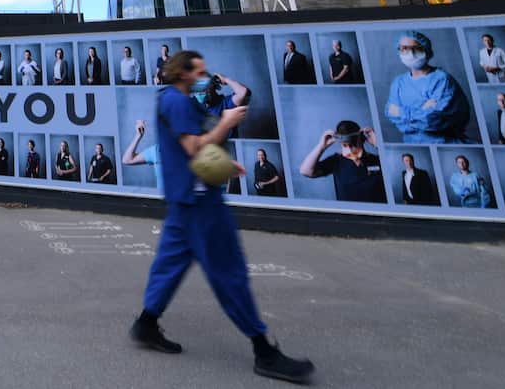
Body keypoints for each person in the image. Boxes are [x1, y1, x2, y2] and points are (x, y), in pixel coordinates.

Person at [129, 49, 313, 384]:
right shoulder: (178, 102)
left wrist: (227, 163)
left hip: (185, 197)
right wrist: (227, 123)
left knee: (169, 265)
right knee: (229, 272)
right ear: (183, 73)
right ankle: (264, 351)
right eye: (199, 70)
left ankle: (145, 324)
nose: (205, 75)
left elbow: (196, 145)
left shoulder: (177, 99)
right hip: (200, 202)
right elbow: (193, 147)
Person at [384, 32, 471, 144]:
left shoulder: (441, 79)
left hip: (442, 144)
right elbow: (391, 115)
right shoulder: (399, 82)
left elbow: (433, 120)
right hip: (412, 145)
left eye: (416, 48)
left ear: (426, 50)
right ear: (399, 50)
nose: (410, 53)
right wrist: (422, 110)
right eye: (404, 48)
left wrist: (400, 112)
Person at [299, 120, 386, 203]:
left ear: (362, 140)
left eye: (353, 146)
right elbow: (305, 171)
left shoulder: (378, 160)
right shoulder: (336, 161)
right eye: (345, 146)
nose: (350, 151)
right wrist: (321, 146)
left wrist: (378, 144)